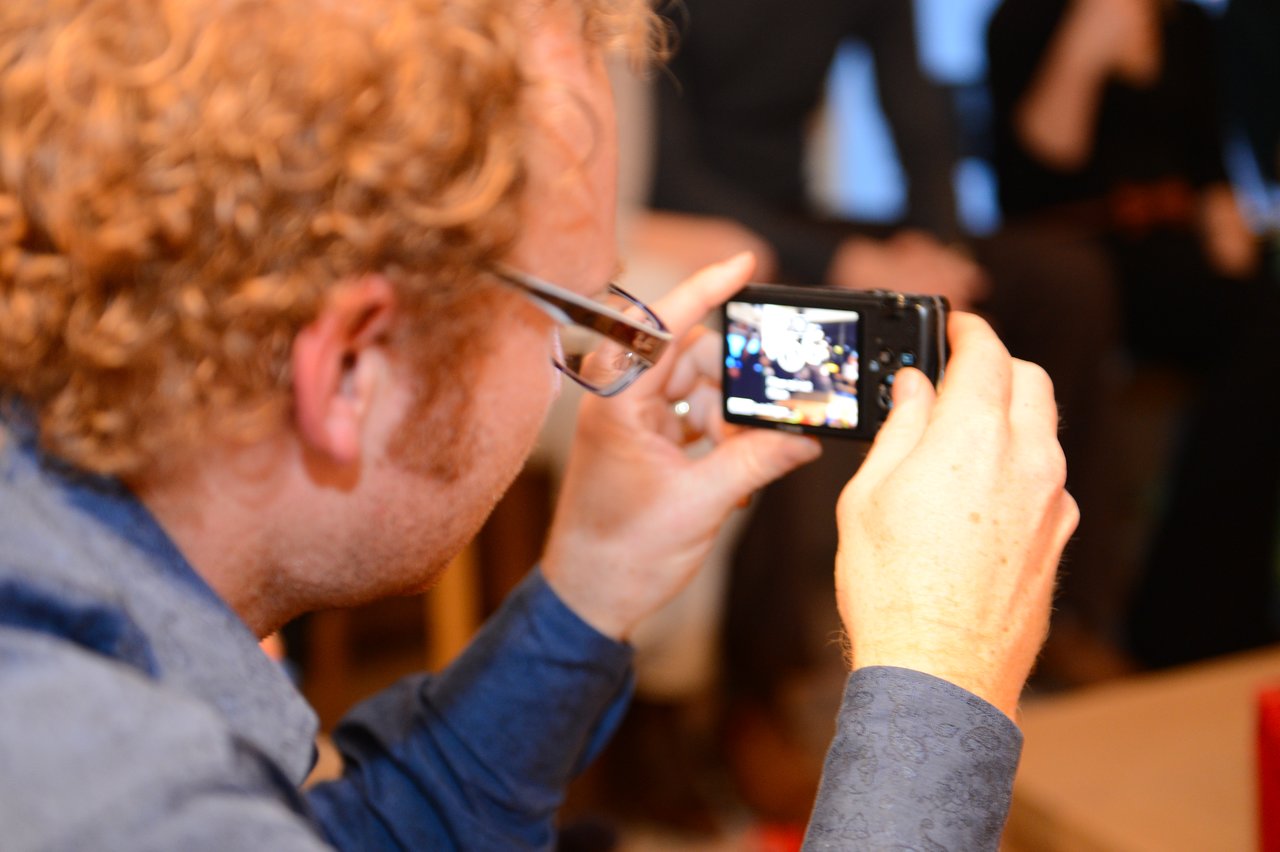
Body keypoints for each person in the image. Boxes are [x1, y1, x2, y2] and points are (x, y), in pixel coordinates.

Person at [0, 0, 1077, 849]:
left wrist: (589, 585)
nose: (595, 368)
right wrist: (935, 688)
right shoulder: (99, 793)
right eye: (574, 315)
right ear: (347, 372)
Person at [987, 0, 1280, 667]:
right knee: (1090, 294)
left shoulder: (1191, 30)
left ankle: (1214, 609)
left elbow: (1208, 161)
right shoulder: (1023, 21)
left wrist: (1223, 211)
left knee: (1265, 315)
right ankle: (1161, 622)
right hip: (1078, 248)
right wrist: (1084, 53)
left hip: (1172, 249)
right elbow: (1035, 175)